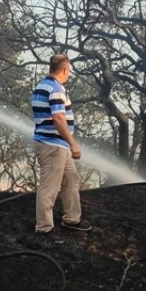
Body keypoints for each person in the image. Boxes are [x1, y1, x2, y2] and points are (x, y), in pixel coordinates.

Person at [32, 54, 92, 234]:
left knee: (71, 178)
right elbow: (58, 118)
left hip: (58, 145)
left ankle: (72, 219)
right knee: (49, 187)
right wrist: (73, 143)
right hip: (53, 146)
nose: (69, 74)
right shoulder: (56, 89)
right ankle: (44, 228)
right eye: (69, 71)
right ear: (65, 70)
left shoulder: (42, 85)